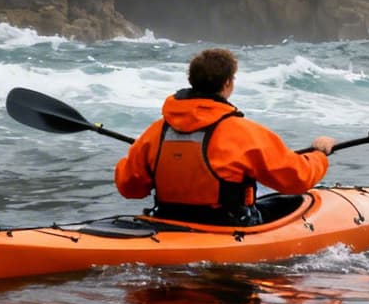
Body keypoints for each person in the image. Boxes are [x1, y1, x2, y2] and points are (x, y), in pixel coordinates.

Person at [115, 48, 336, 225]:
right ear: (228, 83)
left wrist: (136, 159)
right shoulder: (243, 132)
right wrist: (319, 154)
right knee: (291, 203)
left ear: (192, 81)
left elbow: (129, 188)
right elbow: (297, 180)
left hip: (168, 222)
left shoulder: (156, 132)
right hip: (226, 227)